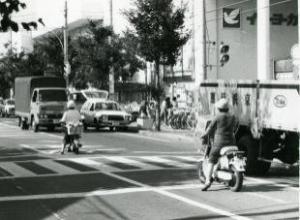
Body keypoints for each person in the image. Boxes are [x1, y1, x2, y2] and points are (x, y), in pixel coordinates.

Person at [200, 98, 238, 191]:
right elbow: (236, 126)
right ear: (227, 108)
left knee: (212, 159)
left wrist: (204, 135)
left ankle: (208, 181)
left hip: (219, 143)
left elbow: (210, 128)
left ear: (219, 108)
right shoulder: (233, 117)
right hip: (232, 142)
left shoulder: (217, 116)